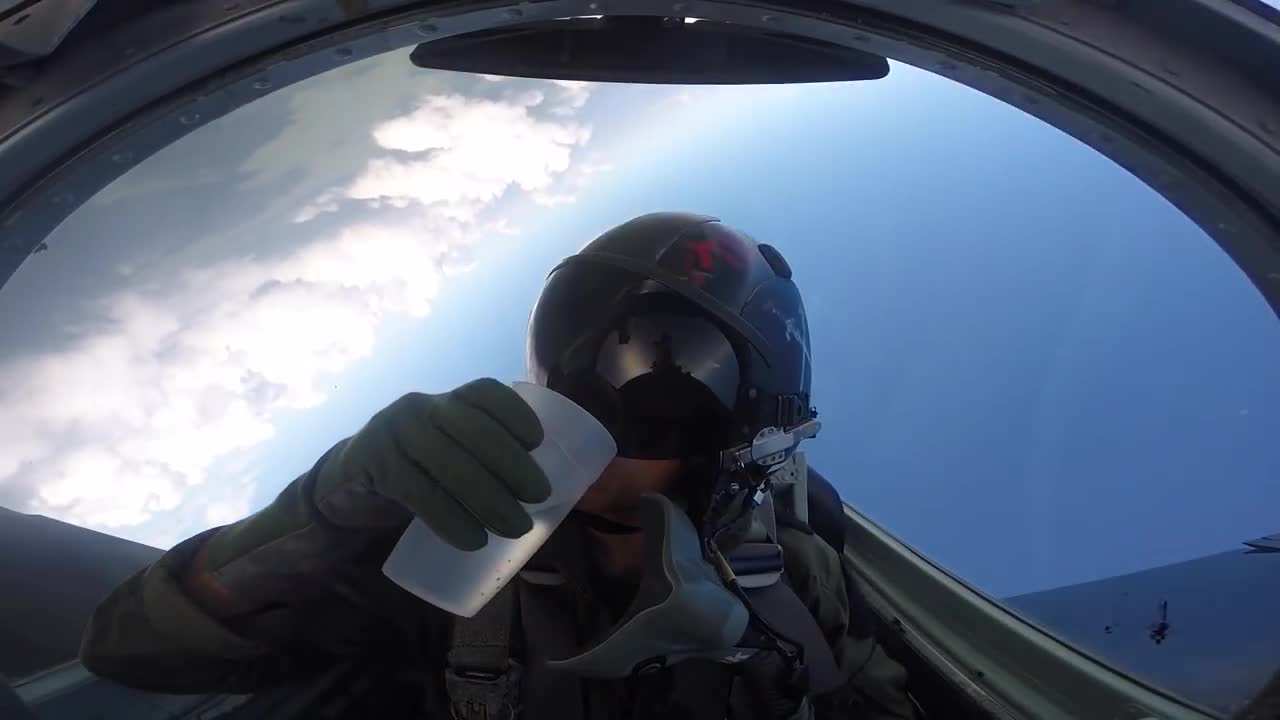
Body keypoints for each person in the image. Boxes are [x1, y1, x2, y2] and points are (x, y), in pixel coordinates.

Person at [78, 212, 916, 720]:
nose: (586, 411)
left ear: (736, 445)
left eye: (655, 389)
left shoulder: (797, 579)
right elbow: (135, 656)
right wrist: (317, 515)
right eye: (570, 359)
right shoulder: (453, 550)